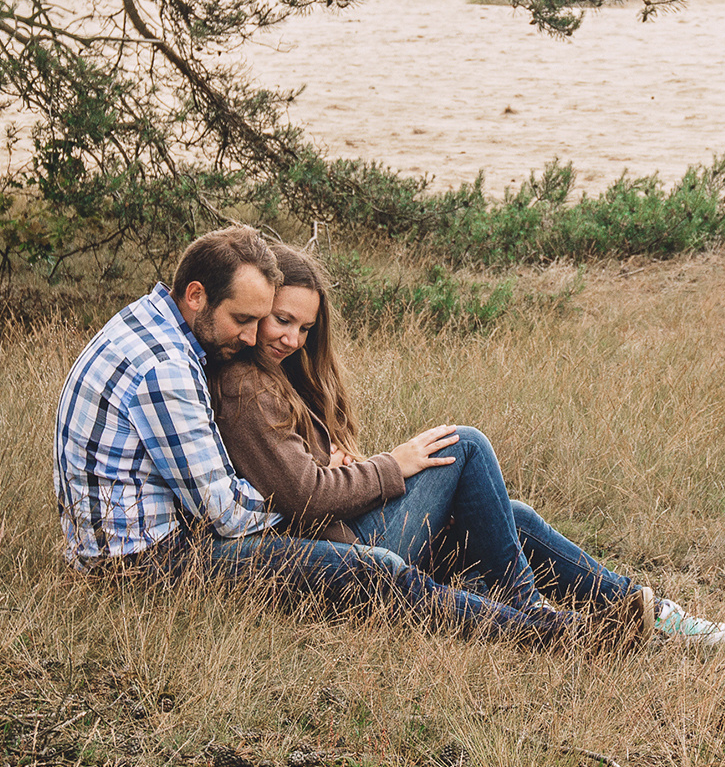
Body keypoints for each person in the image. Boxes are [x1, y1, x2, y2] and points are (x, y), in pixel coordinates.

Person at [53, 226, 600, 646]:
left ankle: (606, 609)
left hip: (154, 550)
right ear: (195, 295)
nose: (252, 337)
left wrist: (321, 482)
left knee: (505, 513)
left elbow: (251, 485)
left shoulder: (147, 326)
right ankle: (541, 630)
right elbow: (229, 512)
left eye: (283, 324)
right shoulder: (168, 368)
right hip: (151, 568)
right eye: (248, 319)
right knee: (392, 553)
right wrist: (322, 487)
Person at [210, 240, 725, 649]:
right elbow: (303, 495)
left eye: (304, 327)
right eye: (280, 320)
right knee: (464, 445)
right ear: (256, 309)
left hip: (346, 530)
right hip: (348, 555)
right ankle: (531, 609)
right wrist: (389, 466)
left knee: (512, 515)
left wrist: (344, 465)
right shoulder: (246, 386)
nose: (291, 338)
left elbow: (300, 473)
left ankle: (644, 610)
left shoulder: (276, 378)